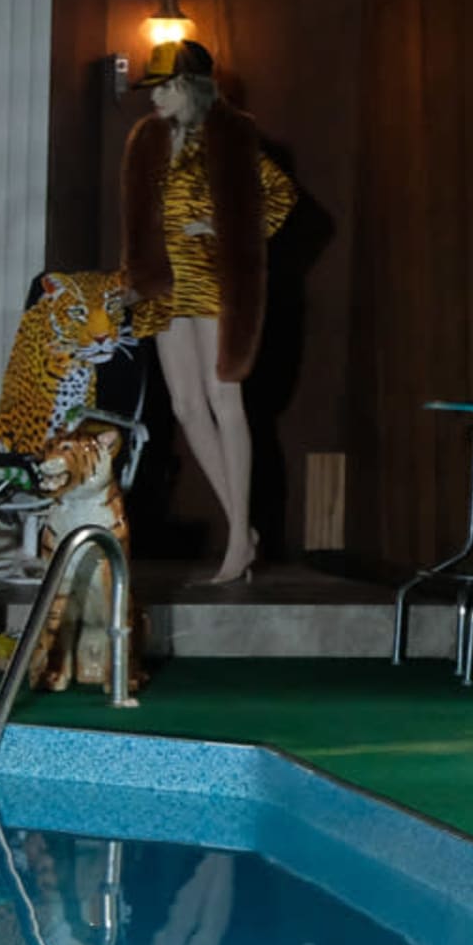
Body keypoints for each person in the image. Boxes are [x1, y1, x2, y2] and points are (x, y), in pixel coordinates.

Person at [120, 41, 295, 585]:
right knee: (186, 406)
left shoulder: (230, 138)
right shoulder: (150, 140)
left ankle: (239, 535)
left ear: (191, 87)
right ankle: (242, 530)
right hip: (165, 284)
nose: (156, 98)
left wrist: (226, 230)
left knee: (224, 399)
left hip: (212, 280)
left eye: (166, 87)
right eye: (154, 88)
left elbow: (282, 197)